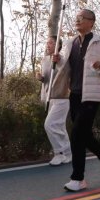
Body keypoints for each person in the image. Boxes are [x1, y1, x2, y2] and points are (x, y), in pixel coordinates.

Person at [53, 9, 100, 191]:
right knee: (84, 135)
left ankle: (78, 178)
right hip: (74, 94)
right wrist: (58, 60)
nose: (77, 20)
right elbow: (65, 66)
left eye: (82, 18)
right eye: (77, 18)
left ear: (91, 22)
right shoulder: (70, 43)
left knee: (76, 134)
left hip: (92, 95)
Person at [36, 36, 71, 166]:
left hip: (62, 97)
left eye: (51, 43)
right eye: (47, 43)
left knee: (49, 125)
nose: (48, 45)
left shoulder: (63, 59)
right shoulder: (45, 60)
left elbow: (65, 70)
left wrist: (59, 59)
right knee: (60, 127)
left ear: (58, 45)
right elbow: (47, 78)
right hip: (49, 97)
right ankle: (68, 152)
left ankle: (59, 153)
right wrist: (41, 78)